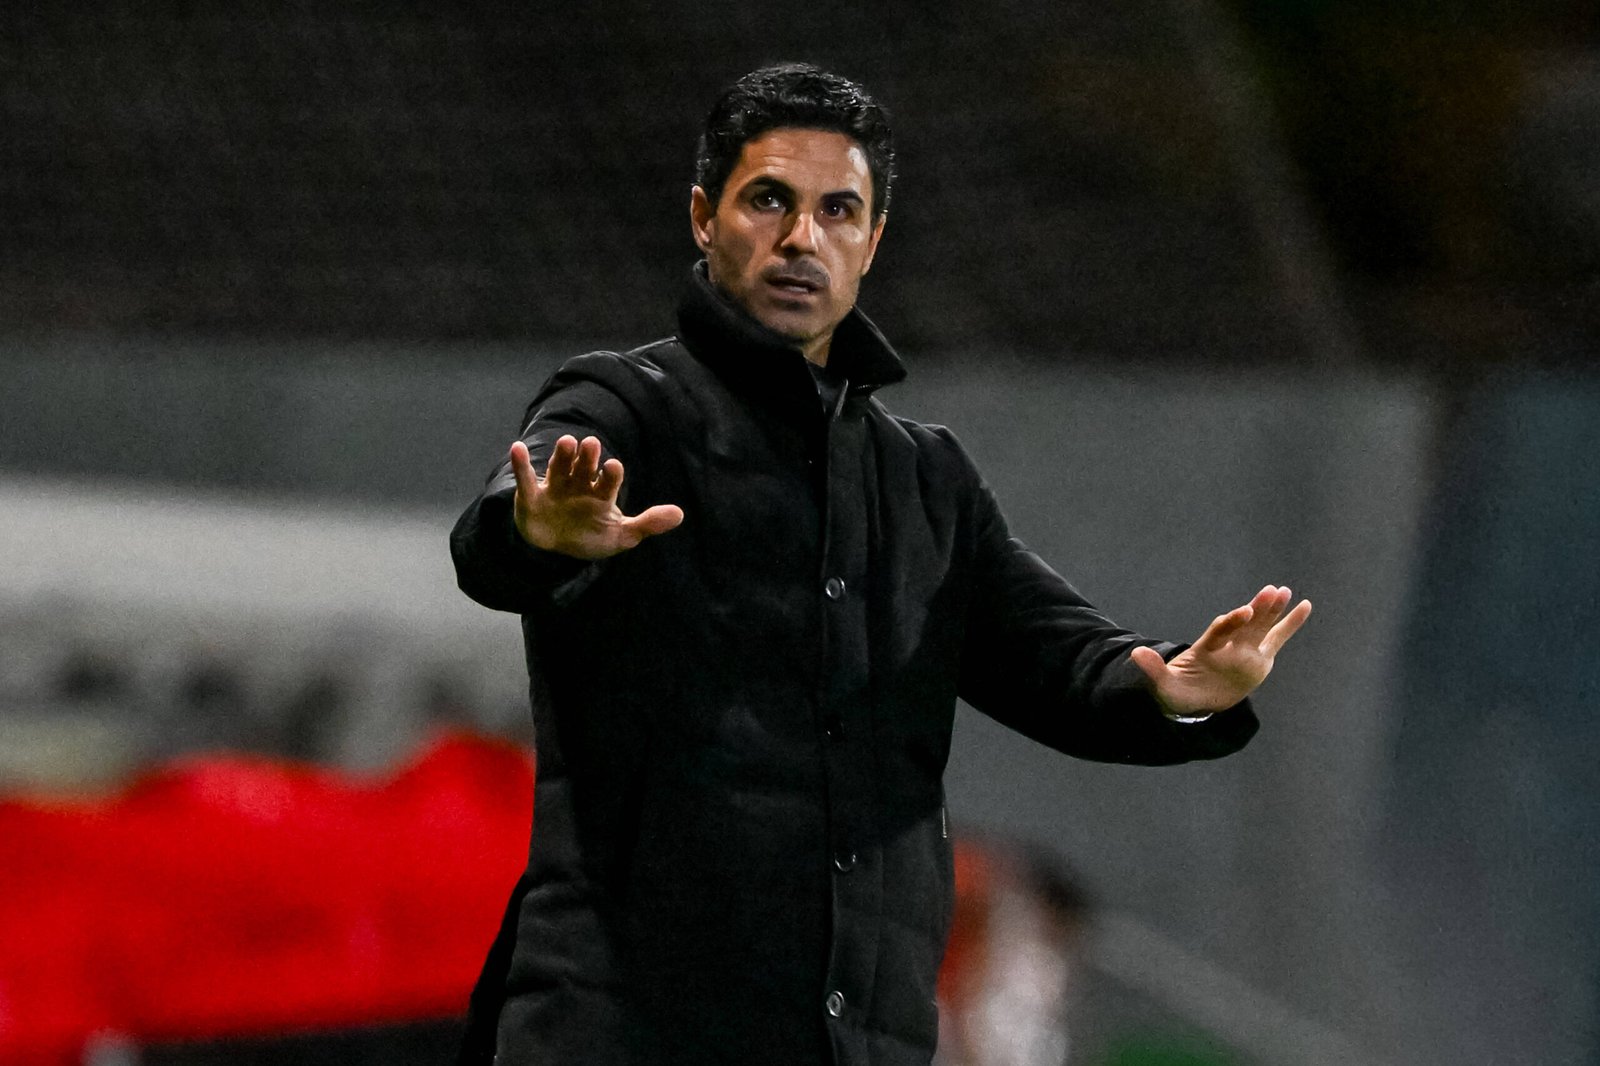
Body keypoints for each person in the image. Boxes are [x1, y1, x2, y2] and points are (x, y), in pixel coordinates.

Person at [450, 63, 1311, 1066]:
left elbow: (1066, 662)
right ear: (702, 218)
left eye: (838, 210)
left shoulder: (925, 480)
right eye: (767, 200)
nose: (801, 237)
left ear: (872, 240)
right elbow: (498, 534)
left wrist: (1179, 690)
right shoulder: (621, 406)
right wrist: (537, 530)